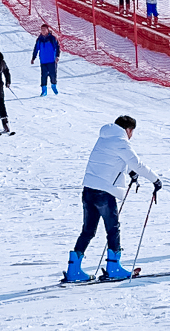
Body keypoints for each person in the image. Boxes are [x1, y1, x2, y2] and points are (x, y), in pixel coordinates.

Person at [64, 115, 162, 283]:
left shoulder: (104, 139)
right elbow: (137, 164)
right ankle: (114, 268)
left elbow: (112, 160)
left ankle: (73, 270)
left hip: (88, 190)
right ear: (128, 130)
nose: (131, 136)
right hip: (104, 192)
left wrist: (130, 173)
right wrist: (155, 180)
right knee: (113, 229)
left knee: (88, 231)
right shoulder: (121, 141)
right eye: (132, 132)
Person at [32, 23, 61, 95]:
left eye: (44, 29)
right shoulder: (39, 39)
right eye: (42, 30)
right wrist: (33, 58)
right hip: (43, 61)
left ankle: (54, 86)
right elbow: (36, 49)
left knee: (53, 75)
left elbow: (57, 47)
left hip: (52, 60)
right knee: (43, 76)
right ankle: (44, 90)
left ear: (48, 30)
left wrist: (57, 56)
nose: (43, 31)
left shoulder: (52, 38)